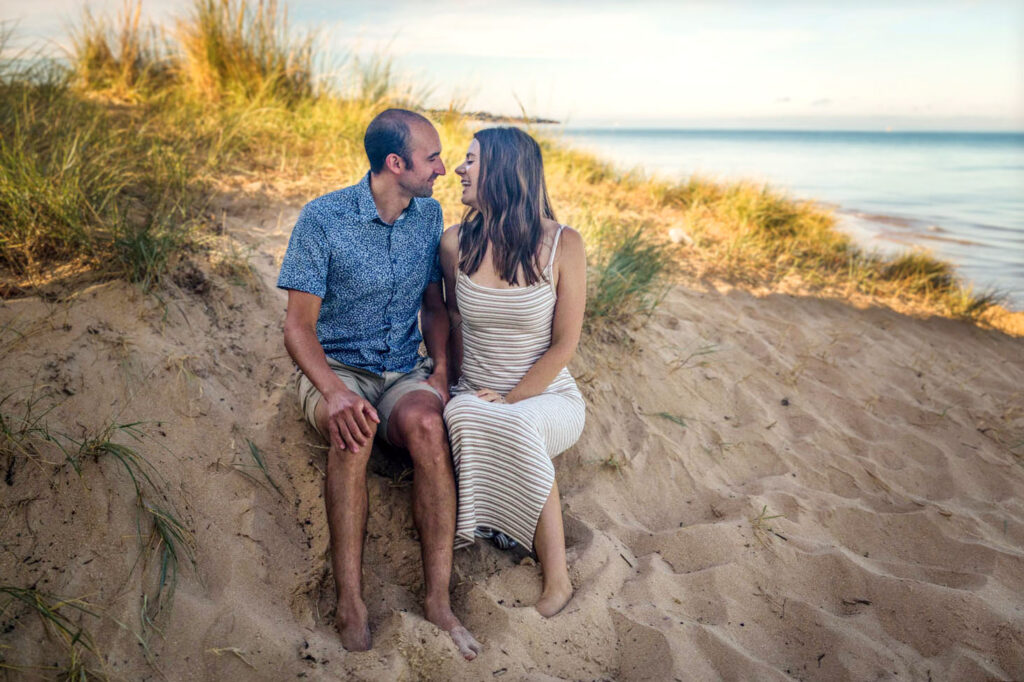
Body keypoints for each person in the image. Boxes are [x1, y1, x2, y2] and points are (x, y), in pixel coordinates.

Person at [278, 109, 481, 659]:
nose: (443, 168)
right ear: (396, 163)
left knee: (428, 427)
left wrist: (440, 368)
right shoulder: (323, 219)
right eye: (432, 157)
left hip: (400, 367)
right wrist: (334, 391)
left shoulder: (427, 215)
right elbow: (297, 328)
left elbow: (434, 303)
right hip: (335, 369)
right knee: (355, 432)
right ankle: (351, 601)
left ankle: (438, 600)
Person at [440, 127, 587, 617]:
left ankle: (558, 580)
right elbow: (454, 322)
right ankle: (497, 526)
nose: (459, 169)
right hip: (476, 393)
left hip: (546, 396)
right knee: (462, 411)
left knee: (518, 423)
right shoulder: (455, 243)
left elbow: (565, 345)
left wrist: (513, 398)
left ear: (502, 170)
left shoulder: (563, 244)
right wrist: (452, 383)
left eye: (470, 160)